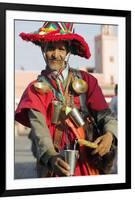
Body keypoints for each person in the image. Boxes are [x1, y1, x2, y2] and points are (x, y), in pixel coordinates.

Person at [15, 22, 117, 177]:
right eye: (50, 48)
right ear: (43, 50)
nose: (55, 54)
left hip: (87, 165)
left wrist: (110, 135)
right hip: (54, 165)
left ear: (68, 51)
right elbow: (39, 129)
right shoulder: (34, 89)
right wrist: (50, 156)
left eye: (61, 49)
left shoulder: (87, 81)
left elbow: (106, 116)